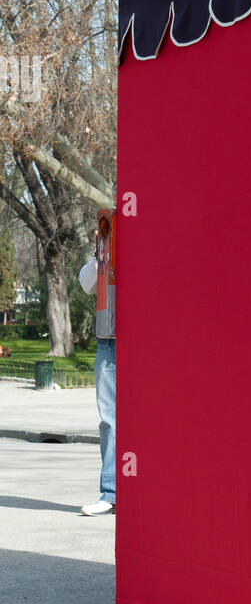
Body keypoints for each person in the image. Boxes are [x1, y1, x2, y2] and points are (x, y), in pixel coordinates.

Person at [79, 213, 116, 516]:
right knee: (109, 420)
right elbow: (87, 285)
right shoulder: (104, 247)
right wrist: (100, 250)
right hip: (110, 341)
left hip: (147, 343)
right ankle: (111, 493)